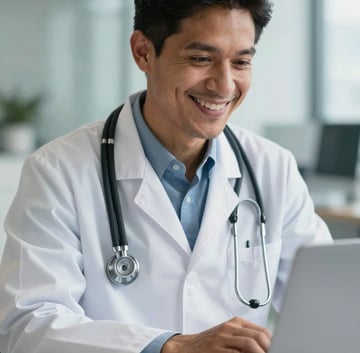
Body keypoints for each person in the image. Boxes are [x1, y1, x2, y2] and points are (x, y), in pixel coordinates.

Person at [0, 1, 332, 352]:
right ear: (143, 52)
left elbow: (331, 300)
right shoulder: (58, 171)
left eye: (241, 62)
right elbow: (28, 326)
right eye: (201, 59)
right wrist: (169, 347)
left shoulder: (273, 168)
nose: (223, 85)